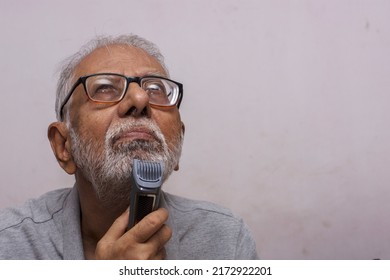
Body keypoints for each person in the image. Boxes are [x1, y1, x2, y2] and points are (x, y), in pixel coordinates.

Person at [0, 34, 258, 260]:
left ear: (178, 143)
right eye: (104, 88)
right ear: (63, 146)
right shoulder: (10, 244)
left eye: (156, 89)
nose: (139, 98)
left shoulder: (225, 240)